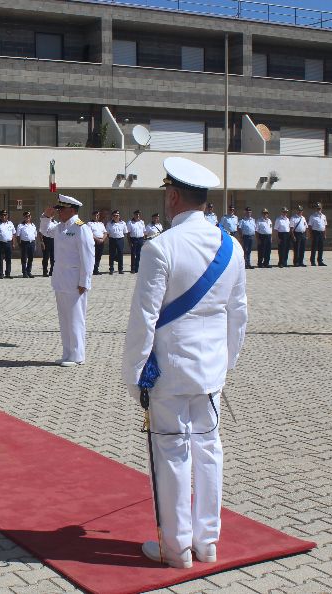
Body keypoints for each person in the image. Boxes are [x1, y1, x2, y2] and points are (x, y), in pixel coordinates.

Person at [122, 156, 247, 569]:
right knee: (209, 451)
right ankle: (207, 542)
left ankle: (176, 549)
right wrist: (226, 364)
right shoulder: (232, 247)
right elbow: (238, 314)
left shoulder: (160, 247)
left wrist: (134, 373)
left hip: (169, 373)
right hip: (210, 372)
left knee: (173, 453)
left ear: (173, 196)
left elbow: (144, 317)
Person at [51, 195, 95, 367]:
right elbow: (45, 230)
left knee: (76, 319)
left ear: (71, 210)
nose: (59, 212)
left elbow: (88, 256)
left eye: (61, 209)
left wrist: (85, 281)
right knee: (65, 320)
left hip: (75, 282)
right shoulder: (61, 227)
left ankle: (77, 355)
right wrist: (46, 217)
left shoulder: (80, 228)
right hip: (61, 280)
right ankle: (67, 353)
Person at [0, 210, 16, 279]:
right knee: (0, 259)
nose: (4, 216)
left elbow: (13, 234)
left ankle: (8, 273)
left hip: (8, 243)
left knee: (8, 259)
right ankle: (0, 274)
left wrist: (13, 243)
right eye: (2, 215)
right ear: (0, 216)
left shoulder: (10, 223)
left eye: (5, 215)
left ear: (7, 216)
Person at [15, 211, 38, 278]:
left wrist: (35, 244)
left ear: (30, 217)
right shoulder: (20, 225)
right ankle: (24, 272)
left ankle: (29, 271)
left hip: (32, 243)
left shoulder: (33, 225)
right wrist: (19, 244)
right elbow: (18, 236)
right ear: (24, 217)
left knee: (31, 258)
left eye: (28, 216)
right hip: (24, 243)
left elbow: (35, 235)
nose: (27, 217)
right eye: (26, 216)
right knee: (24, 258)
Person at [106, 210, 127, 274]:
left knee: (120, 254)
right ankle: (111, 269)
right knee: (111, 254)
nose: (116, 217)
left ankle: (120, 269)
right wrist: (111, 238)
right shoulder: (109, 223)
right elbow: (107, 233)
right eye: (114, 216)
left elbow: (125, 232)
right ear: (112, 216)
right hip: (112, 239)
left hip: (120, 240)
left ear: (119, 216)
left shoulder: (123, 223)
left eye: (117, 215)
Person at [40, 209, 58, 277]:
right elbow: (40, 232)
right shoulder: (45, 221)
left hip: (53, 240)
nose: (52, 215)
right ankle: (45, 272)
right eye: (51, 214)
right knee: (46, 257)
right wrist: (42, 242)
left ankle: (52, 271)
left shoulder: (55, 222)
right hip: (46, 240)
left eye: (53, 214)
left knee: (53, 257)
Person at [88, 210, 107, 275]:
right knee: (93, 256)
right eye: (95, 215)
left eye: (98, 215)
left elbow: (105, 233)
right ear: (93, 216)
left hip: (101, 241)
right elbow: (89, 234)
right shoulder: (89, 224)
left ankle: (96, 269)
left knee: (99, 256)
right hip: (94, 242)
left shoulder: (101, 224)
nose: (97, 216)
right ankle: (92, 269)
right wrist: (97, 240)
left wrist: (102, 240)